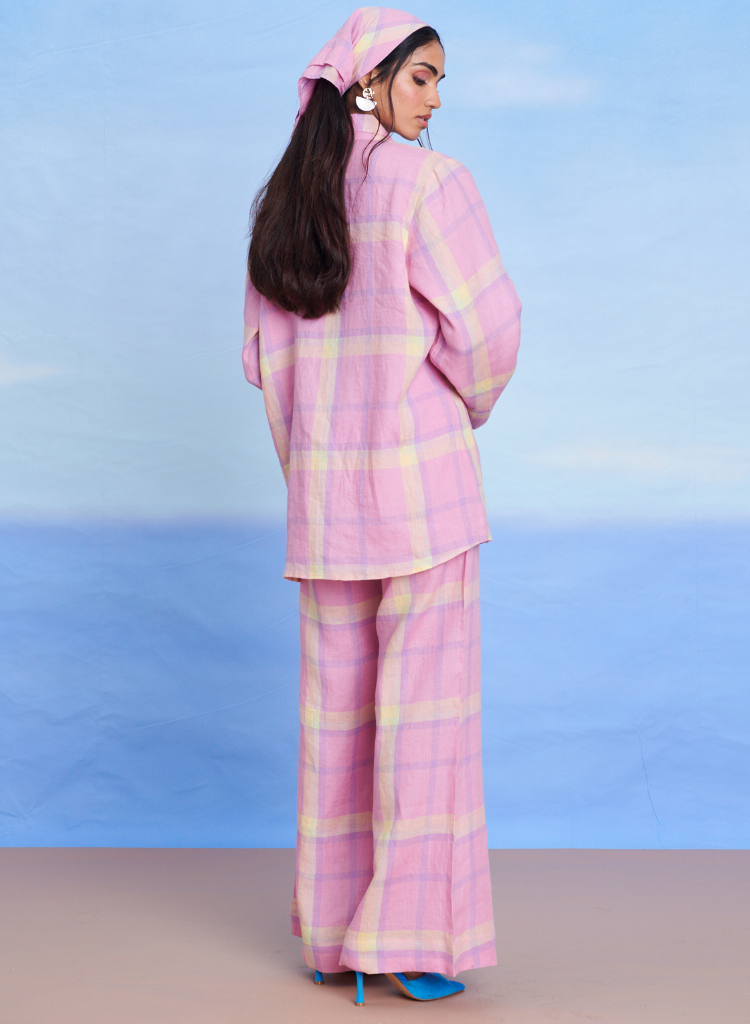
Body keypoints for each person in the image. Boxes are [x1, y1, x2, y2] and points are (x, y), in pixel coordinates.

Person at [243, 6, 521, 1006]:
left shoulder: (285, 207)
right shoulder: (430, 184)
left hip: (327, 507)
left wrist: (312, 471)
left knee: (337, 723)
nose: (435, 99)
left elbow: (268, 367)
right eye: (422, 77)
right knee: (423, 727)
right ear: (368, 83)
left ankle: (331, 937)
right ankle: (404, 942)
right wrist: (459, 403)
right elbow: (490, 331)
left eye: (439, 81)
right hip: (424, 494)